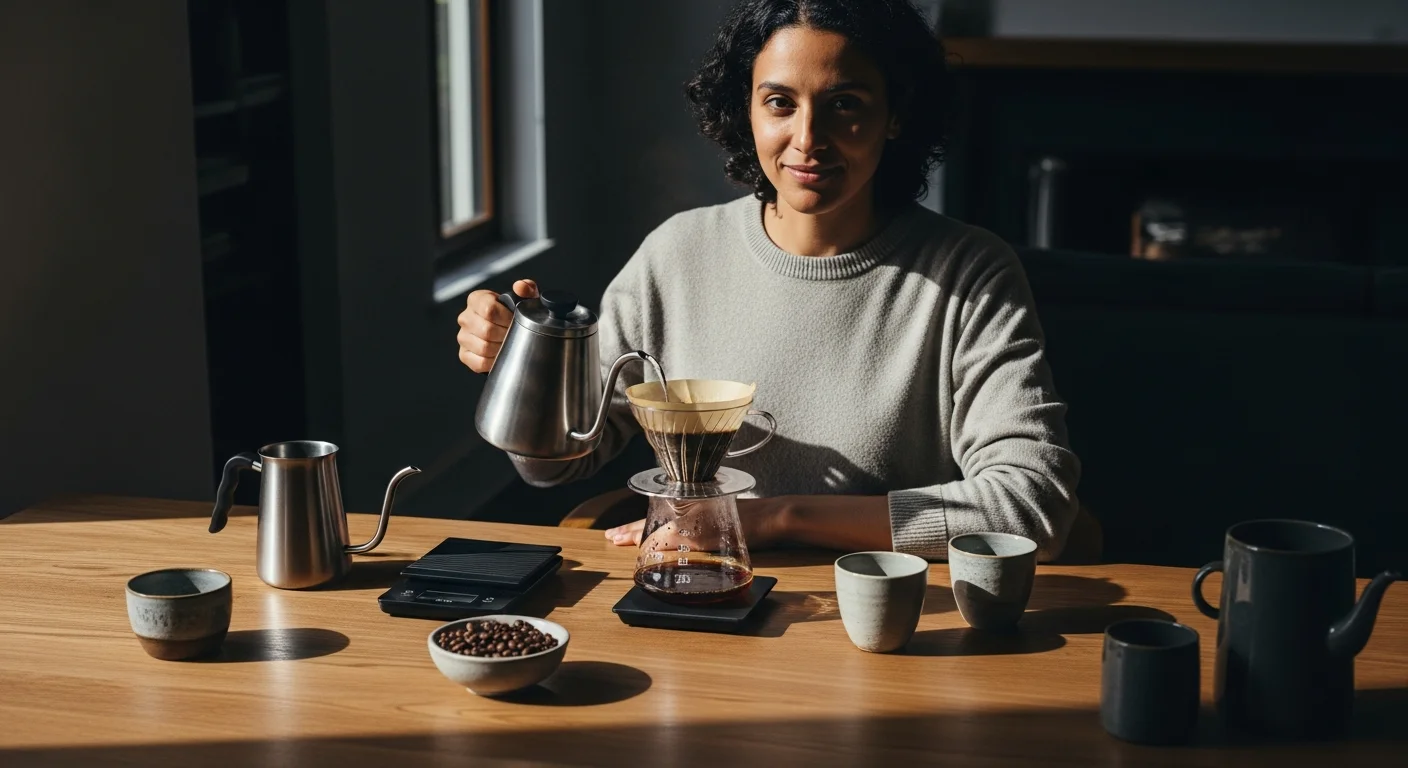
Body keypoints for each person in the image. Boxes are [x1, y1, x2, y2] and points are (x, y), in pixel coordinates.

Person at [456, 0, 1081, 561]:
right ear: (747, 111)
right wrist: (525, 366)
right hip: (701, 602)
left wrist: (773, 518)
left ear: (896, 115)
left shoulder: (971, 274)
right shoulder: (677, 254)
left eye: (845, 104)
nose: (808, 139)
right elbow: (559, 463)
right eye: (780, 102)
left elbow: (1032, 505)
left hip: (896, 623)